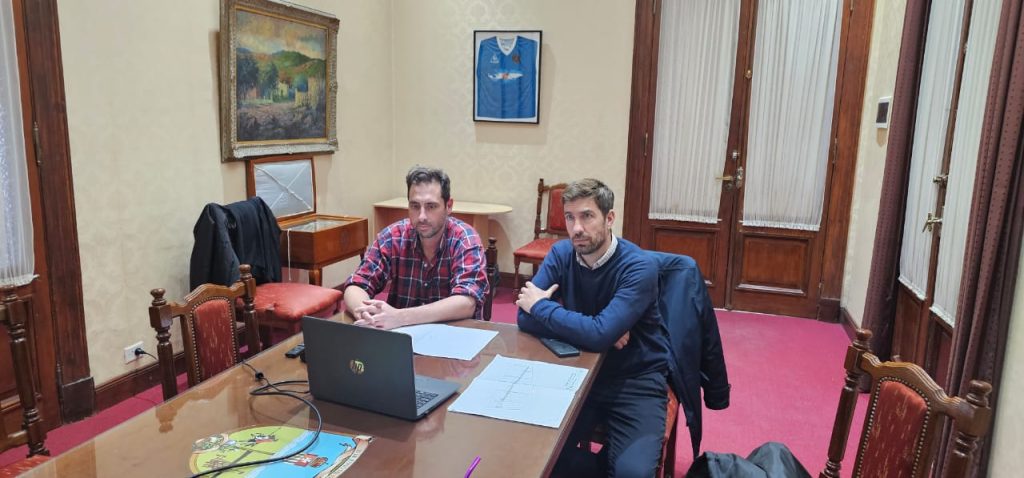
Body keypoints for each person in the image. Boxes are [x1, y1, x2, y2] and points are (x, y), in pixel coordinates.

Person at [516, 178, 672, 478]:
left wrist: (545, 309)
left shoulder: (639, 267)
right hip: (577, 371)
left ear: (609, 218)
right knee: (536, 455)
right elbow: (524, 317)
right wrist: (598, 330)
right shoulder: (561, 254)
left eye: (587, 216)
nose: (576, 228)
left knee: (632, 474)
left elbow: (594, 332)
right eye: (570, 217)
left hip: (634, 379)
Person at [341, 166, 489, 330]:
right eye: (415, 206)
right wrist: (365, 313)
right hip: (401, 336)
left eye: (431, 206)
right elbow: (357, 284)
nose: (422, 216)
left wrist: (400, 317)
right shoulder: (392, 236)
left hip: (454, 335)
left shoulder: (465, 239)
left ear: (448, 206)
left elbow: (467, 302)